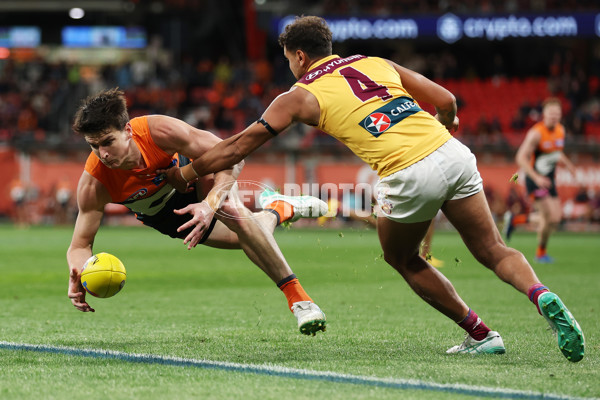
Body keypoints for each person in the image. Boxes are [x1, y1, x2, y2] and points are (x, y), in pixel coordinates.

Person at [161, 16, 585, 362]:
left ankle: (481, 333)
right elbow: (447, 99)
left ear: (300, 56)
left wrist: (185, 175)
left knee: (401, 257)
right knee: (493, 249)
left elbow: (237, 146)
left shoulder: (299, 94)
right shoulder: (374, 62)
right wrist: (445, 127)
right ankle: (541, 293)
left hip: (407, 172)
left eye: (289, 58)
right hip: (451, 151)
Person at [66, 88, 328, 336]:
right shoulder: (95, 182)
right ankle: (278, 209)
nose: (103, 154)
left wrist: (209, 203)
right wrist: (79, 272)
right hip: (168, 216)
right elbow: (80, 244)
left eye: (108, 142)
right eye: (93, 146)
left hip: (199, 180)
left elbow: (233, 156)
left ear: (127, 130)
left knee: (231, 211)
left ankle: (300, 301)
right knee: (248, 237)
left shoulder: (159, 131)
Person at [504, 98, 577, 263]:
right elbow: (520, 157)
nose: (554, 116)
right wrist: (536, 177)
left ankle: (516, 220)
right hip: (535, 179)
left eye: (557, 113)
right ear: (544, 114)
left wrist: (568, 165)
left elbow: (556, 152)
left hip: (549, 180)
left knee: (555, 219)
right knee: (548, 215)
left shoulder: (561, 130)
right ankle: (541, 253)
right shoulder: (536, 133)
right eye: (551, 113)